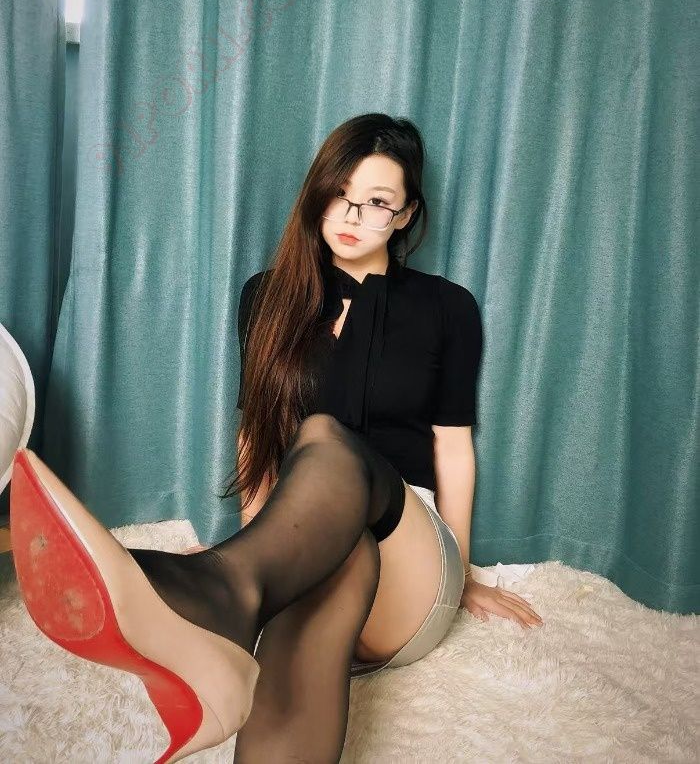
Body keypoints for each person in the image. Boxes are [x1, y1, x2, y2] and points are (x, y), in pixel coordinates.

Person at [10, 113, 543, 764]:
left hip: (412, 561)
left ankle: (222, 589)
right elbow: (256, 435)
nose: (352, 215)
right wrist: (263, 546)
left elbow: (453, 448)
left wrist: (461, 573)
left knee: (323, 436)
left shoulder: (446, 307)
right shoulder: (267, 297)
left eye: (378, 202)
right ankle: (242, 596)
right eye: (340, 193)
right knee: (333, 557)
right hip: (318, 555)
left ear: (405, 216)